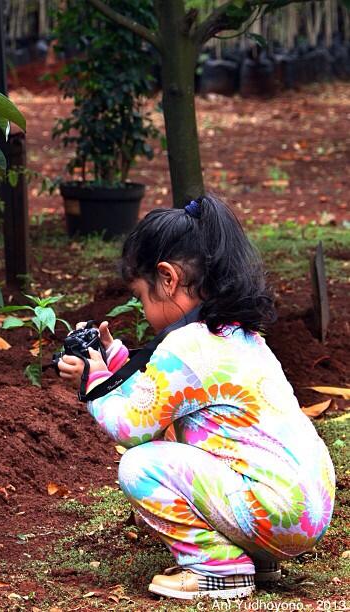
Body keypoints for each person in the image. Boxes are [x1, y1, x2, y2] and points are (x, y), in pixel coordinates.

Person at [57, 195, 335, 601]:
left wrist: (94, 380)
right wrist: (115, 360)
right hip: (305, 506)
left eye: (141, 297)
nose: (143, 309)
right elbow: (160, 398)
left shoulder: (187, 345)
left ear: (167, 279)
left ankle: (216, 568)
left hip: (275, 508)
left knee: (141, 466)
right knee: (181, 445)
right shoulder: (236, 333)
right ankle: (256, 556)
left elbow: (132, 428)